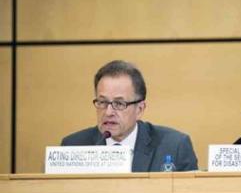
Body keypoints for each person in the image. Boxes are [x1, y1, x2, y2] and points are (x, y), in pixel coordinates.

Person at [61, 60, 198, 172]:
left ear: (139, 109)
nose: (108, 112)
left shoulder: (175, 146)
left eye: (119, 104)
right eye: (102, 102)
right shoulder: (73, 147)